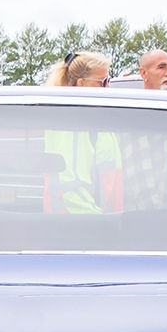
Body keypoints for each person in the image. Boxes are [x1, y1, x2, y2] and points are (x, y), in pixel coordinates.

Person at [43, 51, 122, 213]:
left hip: (100, 223)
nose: (108, 87)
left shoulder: (93, 122)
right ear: (81, 84)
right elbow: (71, 188)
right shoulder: (72, 125)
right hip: (81, 226)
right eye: (102, 82)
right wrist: (104, 224)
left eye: (109, 81)